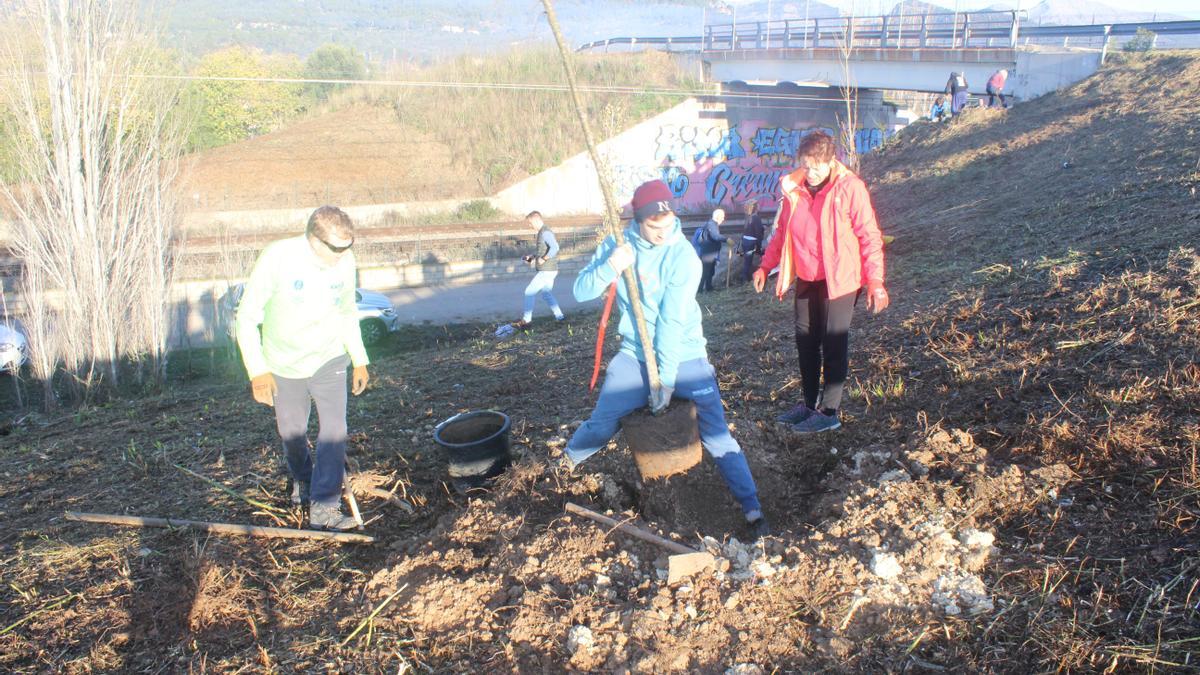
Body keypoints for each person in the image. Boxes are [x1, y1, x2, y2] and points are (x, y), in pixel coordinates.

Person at [559, 180, 769, 537]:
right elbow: (581, 291)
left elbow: (671, 322)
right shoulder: (618, 245)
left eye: (668, 224)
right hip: (634, 356)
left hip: (684, 356)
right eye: (653, 227)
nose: (663, 233)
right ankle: (559, 470)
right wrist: (611, 265)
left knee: (716, 436)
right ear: (638, 221)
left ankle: (752, 509)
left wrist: (666, 379)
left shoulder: (682, 255)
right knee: (601, 423)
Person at [236, 206, 370, 531]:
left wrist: (359, 357)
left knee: (334, 431)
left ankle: (325, 508)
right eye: (336, 249)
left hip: (329, 358)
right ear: (314, 239)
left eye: (347, 248)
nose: (342, 255)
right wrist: (258, 371)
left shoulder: (345, 262)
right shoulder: (277, 258)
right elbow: (246, 317)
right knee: (292, 434)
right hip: (283, 364)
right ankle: (303, 479)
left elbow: (347, 311)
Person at [752, 131, 888, 434]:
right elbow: (782, 233)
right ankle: (809, 404)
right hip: (807, 275)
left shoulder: (850, 188)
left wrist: (875, 280)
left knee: (833, 341)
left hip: (840, 278)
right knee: (805, 341)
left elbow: (870, 236)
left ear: (830, 161)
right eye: (805, 165)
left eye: (815, 166)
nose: (809, 173)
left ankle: (829, 411)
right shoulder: (795, 190)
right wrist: (765, 266)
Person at [515, 210, 564, 327]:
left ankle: (526, 321)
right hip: (550, 269)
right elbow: (543, 250)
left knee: (529, 292)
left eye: (530, 223)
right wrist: (532, 256)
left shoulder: (545, 232)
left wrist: (544, 258)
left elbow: (555, 247)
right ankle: (560, 317)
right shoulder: (542, 232)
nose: (530, 226)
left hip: (547, 270)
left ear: (536, 220)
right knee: (546, 294)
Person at [693, 207, 726, 293]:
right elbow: (716, 236)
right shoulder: (711, 224)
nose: (723, 219)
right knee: (705, 272)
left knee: (711, 271)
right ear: (718, 217)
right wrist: (726, 239)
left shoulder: (713, 224)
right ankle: (699, 290)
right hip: (708, 253)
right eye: (722, 217)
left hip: (711, 252)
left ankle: (709, 287)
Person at [740, 201, 766, 282]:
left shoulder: (748, 217)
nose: (759, 206)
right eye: (758, 206)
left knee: (747, 260)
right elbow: (758, 233)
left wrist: (761, 227)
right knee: (748, 261)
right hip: (751, 242)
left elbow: (749, 229)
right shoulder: (756, 218)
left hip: (745, 241)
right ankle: (744, 279)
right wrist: (759, 245)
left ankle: (747, 277)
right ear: (755, 208)